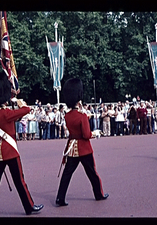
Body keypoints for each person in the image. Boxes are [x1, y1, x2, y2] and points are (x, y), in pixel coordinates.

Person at [0, 72, 44, 217]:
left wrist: (11, 97)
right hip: (10, 152)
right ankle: (29, 206)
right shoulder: (5, 113)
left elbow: (14, 114)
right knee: (20, 180)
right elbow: (26, 110)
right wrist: (20, 102)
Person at [55, 78, 109, 207]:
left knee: (67, 174)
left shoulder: (67, 115)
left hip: (72, 148)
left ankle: (60, 198)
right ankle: (98, 194)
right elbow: (86, 135)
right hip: (84, 149)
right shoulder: (82, 116)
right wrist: (95, 133)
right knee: (92, 173)